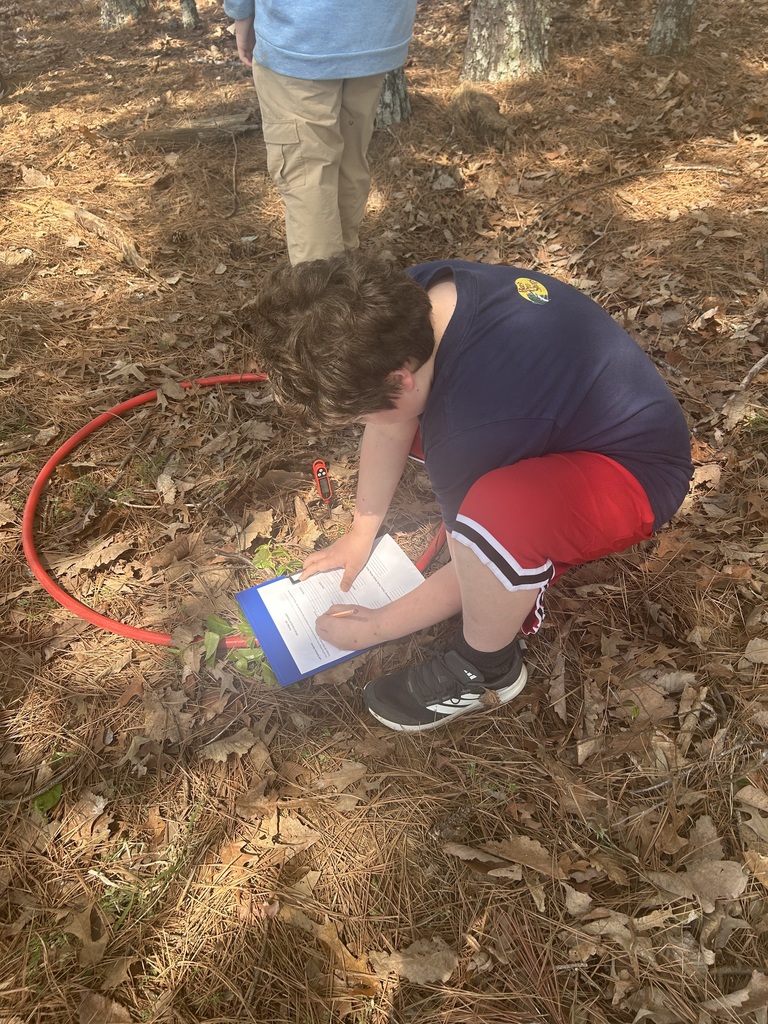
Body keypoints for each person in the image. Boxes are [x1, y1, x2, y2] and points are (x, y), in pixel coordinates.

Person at [248, 252, 693, 733]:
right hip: (577, 414)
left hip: (636, 474)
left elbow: (473, 561)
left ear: (400, 378)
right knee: (409, 424)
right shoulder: (411, 299)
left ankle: (487, 666)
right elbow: (392, 422)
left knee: (494, 519)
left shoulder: (469, 429)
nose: (362, 425)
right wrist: (360, 533)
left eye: (359, 416)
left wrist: (376, 626)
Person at [223, 0, 418, 265]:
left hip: (300, 33)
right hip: (377, 29)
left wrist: (241, 12)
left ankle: (325, 289)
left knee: (308, 175)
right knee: (350, 161)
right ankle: (345, 274)